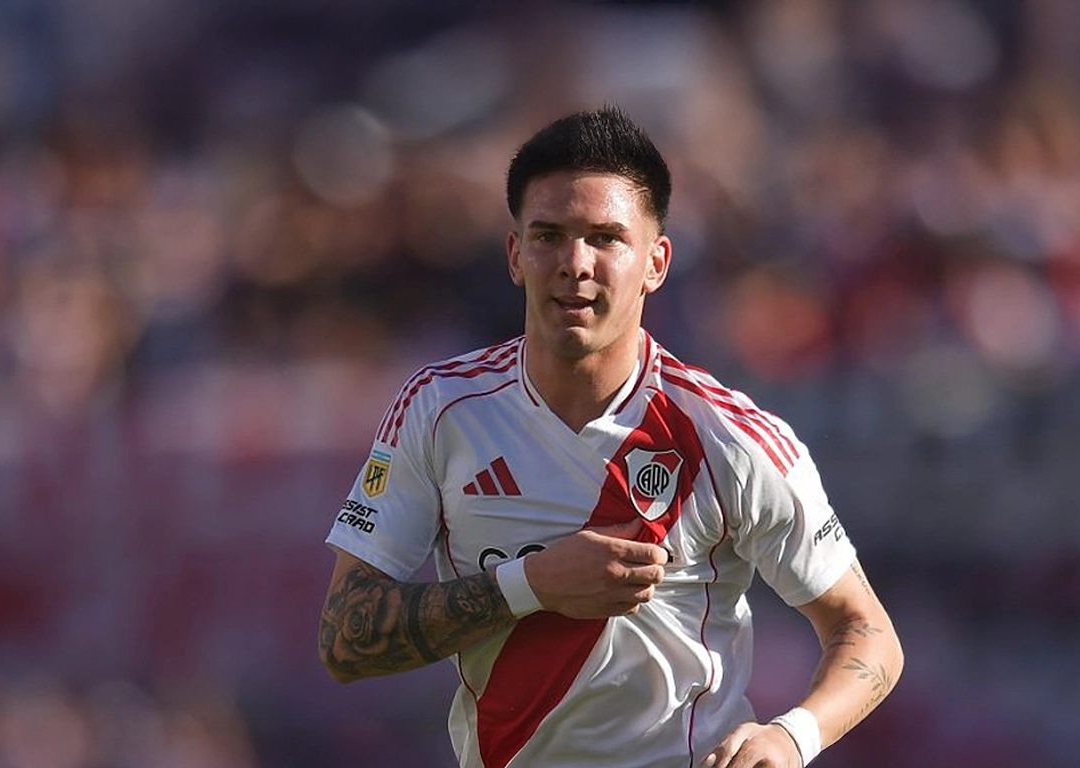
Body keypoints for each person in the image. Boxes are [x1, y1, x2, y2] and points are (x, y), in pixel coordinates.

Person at [319, 105, 903, 768]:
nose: (575, 262)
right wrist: (531, 585)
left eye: (605, 238)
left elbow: (867, 631)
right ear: (515, 255)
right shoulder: (442, 409)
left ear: (655, 263)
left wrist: (791, 736)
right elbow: (346, 640)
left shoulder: (726, 436)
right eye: (548, 235)